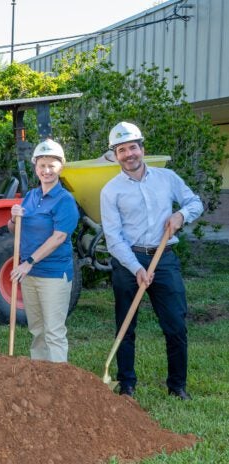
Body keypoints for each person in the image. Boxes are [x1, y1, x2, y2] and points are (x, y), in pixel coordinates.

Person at [100, 121, 203, 400]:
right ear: (115, 155)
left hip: (164, 257)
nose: (129, 154)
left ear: (142, 148)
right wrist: (136, 268)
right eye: (122, 150)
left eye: (133, 147)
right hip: (128, 259)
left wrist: (181, 216)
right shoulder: (110, 190)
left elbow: (195, 202)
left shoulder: (167, 178)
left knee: (175, 324)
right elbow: (113, 237)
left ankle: (177, 386)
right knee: (126, 323)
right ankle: (127, 384)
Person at [9, 139, 79, 363]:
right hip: (30, 275)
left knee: (54, 332)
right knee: (37, 330)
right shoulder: (30, 196)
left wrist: (29, 261)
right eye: (42, 165)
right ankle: (40, 377)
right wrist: (13, 218)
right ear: (35, 167)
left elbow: (58, 237)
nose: (47, 170)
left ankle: (58, 381)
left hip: (53, 275)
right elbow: (13, 229)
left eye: (52, 165)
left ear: (61, 167)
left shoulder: (65, 200)